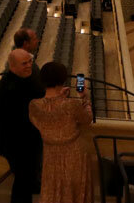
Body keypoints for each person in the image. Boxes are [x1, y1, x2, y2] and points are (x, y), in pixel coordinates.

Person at [29, 61, 94, 203]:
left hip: (50, 155)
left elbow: (49, 115)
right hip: (73, 154)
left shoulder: (34, 105)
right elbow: (87, 119)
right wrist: (85, 98)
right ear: (62, 80)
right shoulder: (71, 105)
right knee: (73, 191)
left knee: (53, 189)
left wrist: (60, 97)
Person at [0, 49, 46, 203]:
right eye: (24, 63)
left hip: (26, 143)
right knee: (22, 184)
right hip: (18, 146)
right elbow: (25, 116)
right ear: (13, 67)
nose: (29, 65)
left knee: (26, 179)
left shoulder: (23, 78)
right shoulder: (10, 88)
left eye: (30, 61)